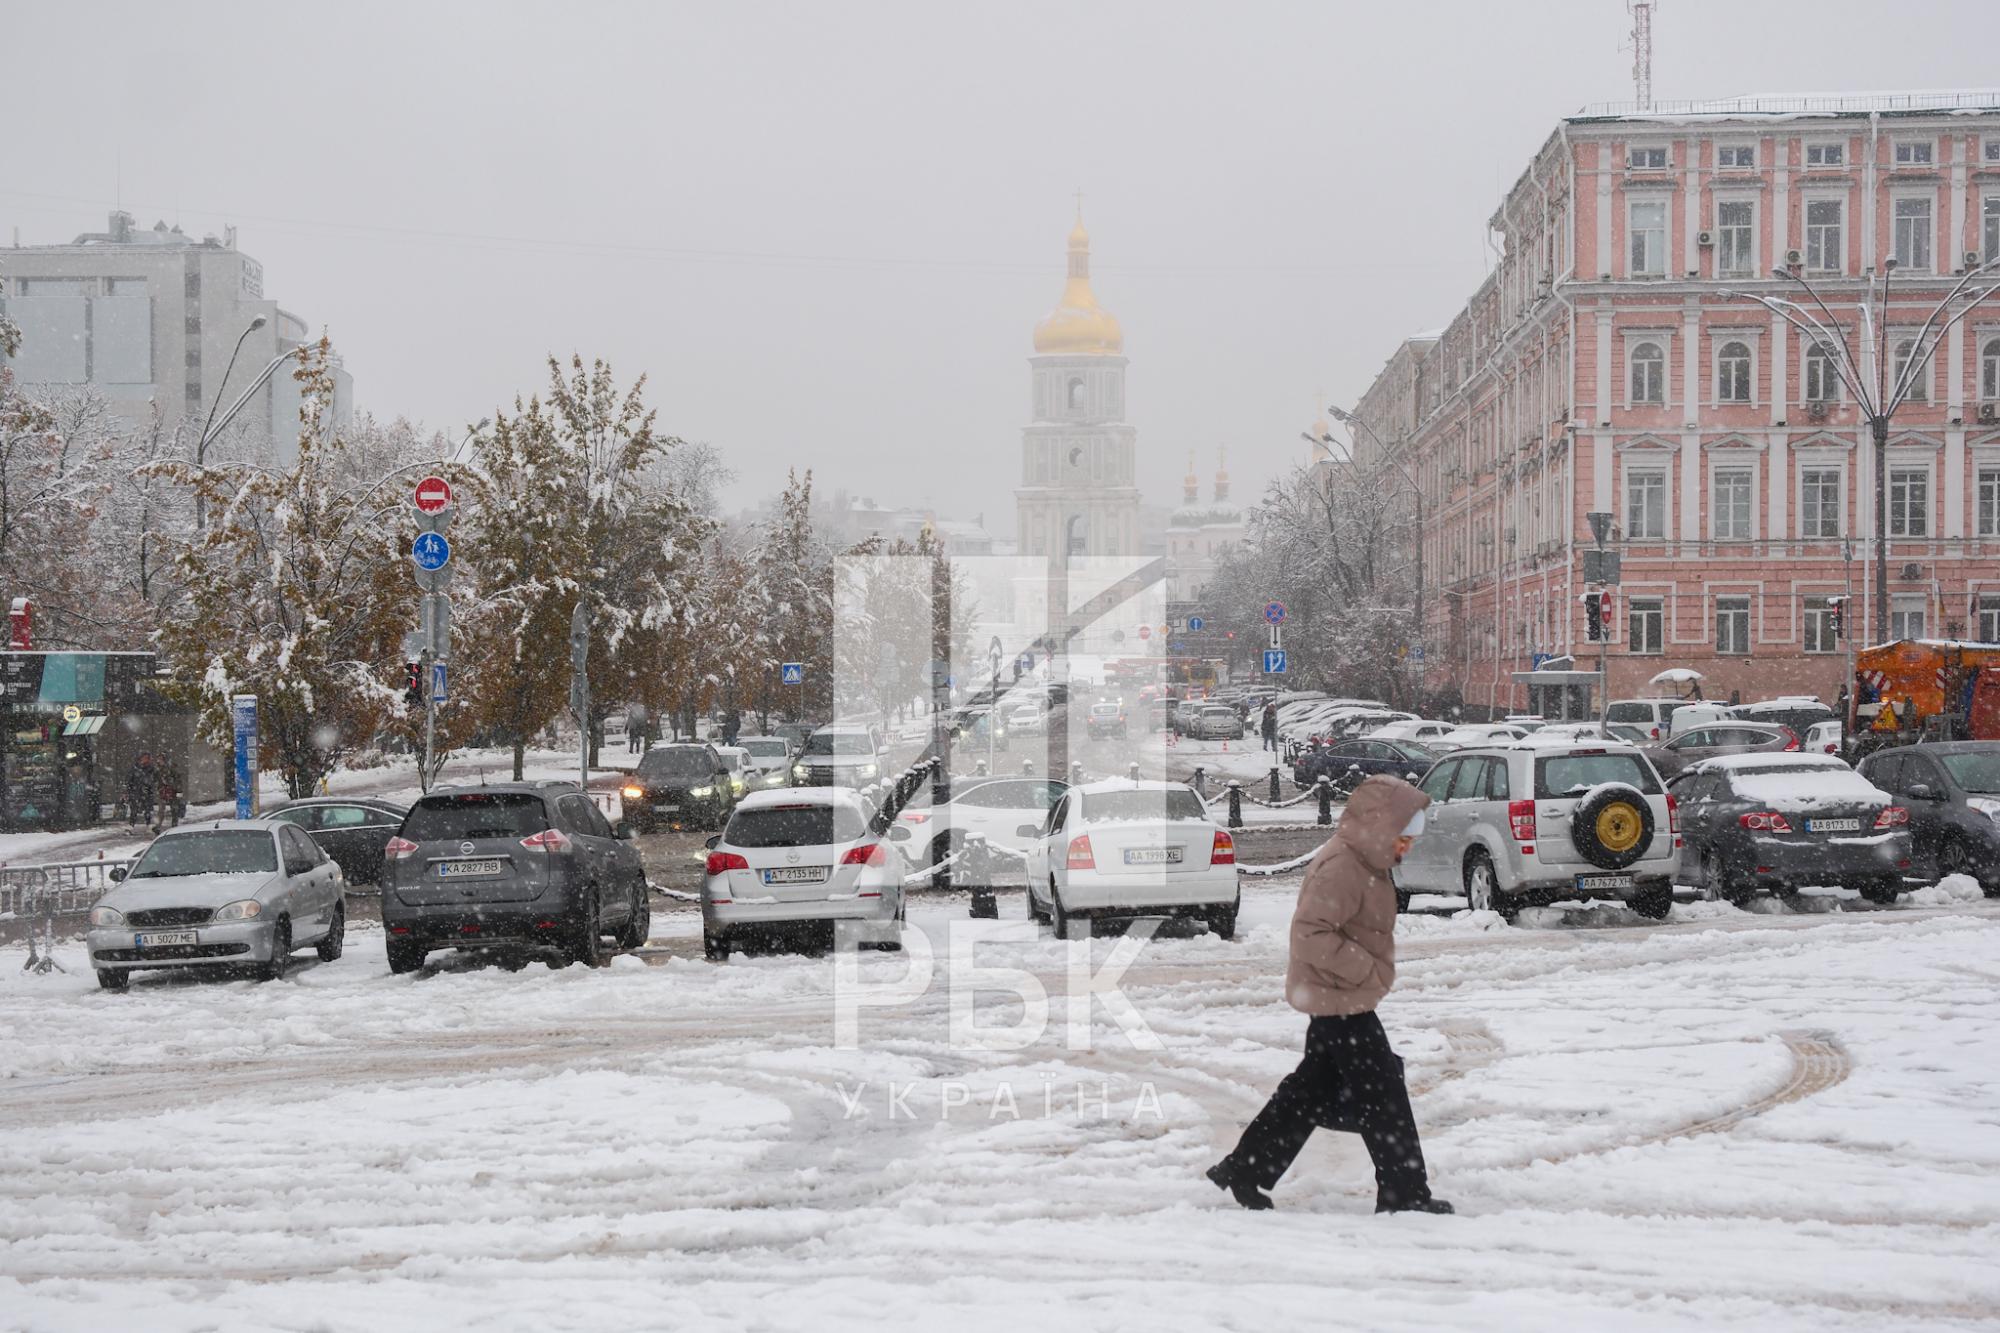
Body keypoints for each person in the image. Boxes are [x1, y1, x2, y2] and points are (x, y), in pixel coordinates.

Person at [1207, 775, 1451, 1215]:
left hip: (1342, 999)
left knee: (1310, 1093)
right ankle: (1405, 1192)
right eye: (1404, 838)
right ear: (1381, 829)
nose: (1407, 847)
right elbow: (1309, 934)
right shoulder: (1342, 867)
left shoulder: (1367, 862)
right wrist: (1366, 970)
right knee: (1384, 1096)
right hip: (1341, 1002)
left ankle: (1245, 1168)